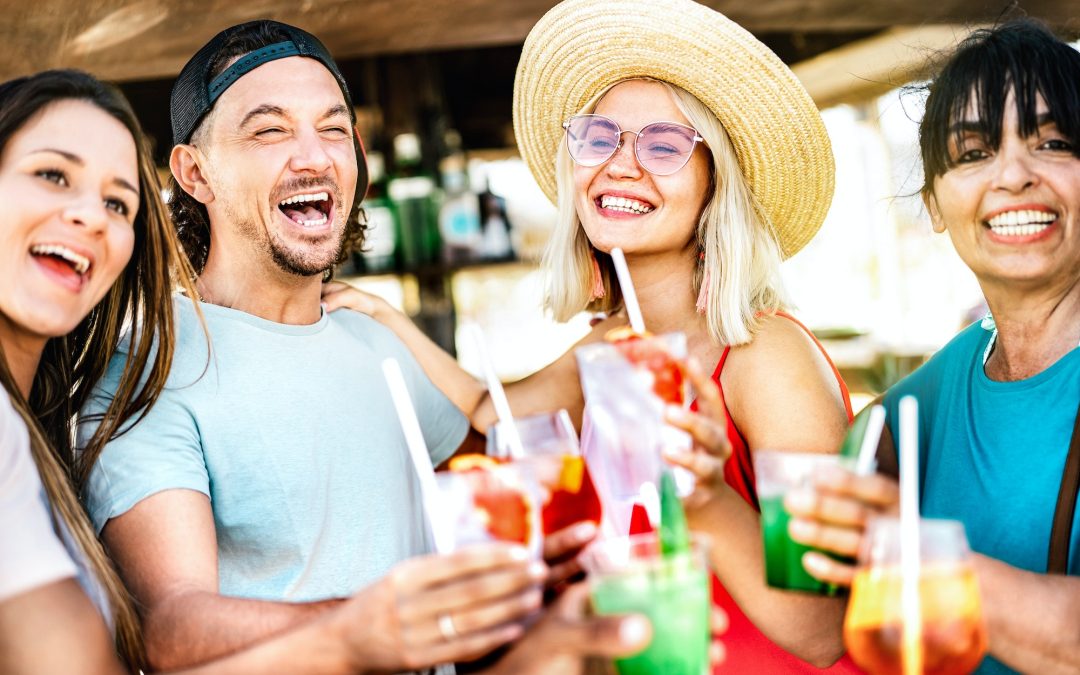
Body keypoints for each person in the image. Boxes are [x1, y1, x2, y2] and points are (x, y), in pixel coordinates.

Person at [0, 67, 690, 675]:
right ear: (194, 174)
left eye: (335, 130)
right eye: (269, 131)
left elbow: (505, 461)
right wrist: (370, 624)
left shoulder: (378, 341)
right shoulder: (151, 371)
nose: (313, 155)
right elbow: (171, 628)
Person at [322, 0, 858, 669]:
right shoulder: (613, 345)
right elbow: (498, 413)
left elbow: (822, 626)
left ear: (713, 182)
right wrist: (388, 319)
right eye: (600, 138)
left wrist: (706, 500)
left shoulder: (766, 354)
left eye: (663, 145)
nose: (620, 165)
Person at [784, 20, 1080, 675]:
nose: (1013, 175)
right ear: (935, 203)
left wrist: (911, 548)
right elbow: (833, 482)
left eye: (1053, 141)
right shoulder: (947, 379)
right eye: (973, 151)